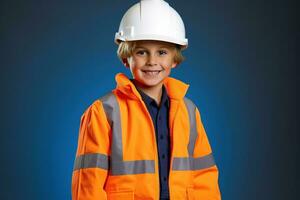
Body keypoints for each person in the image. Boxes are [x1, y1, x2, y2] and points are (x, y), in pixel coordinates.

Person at [71, 0, 221, 199]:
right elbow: (87, 185)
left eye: (162, 52)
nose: (152, 61)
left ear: (174, 60)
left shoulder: (189, 111)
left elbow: (204, 177)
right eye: (141, 52)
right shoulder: (103, 112)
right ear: (126, 58)